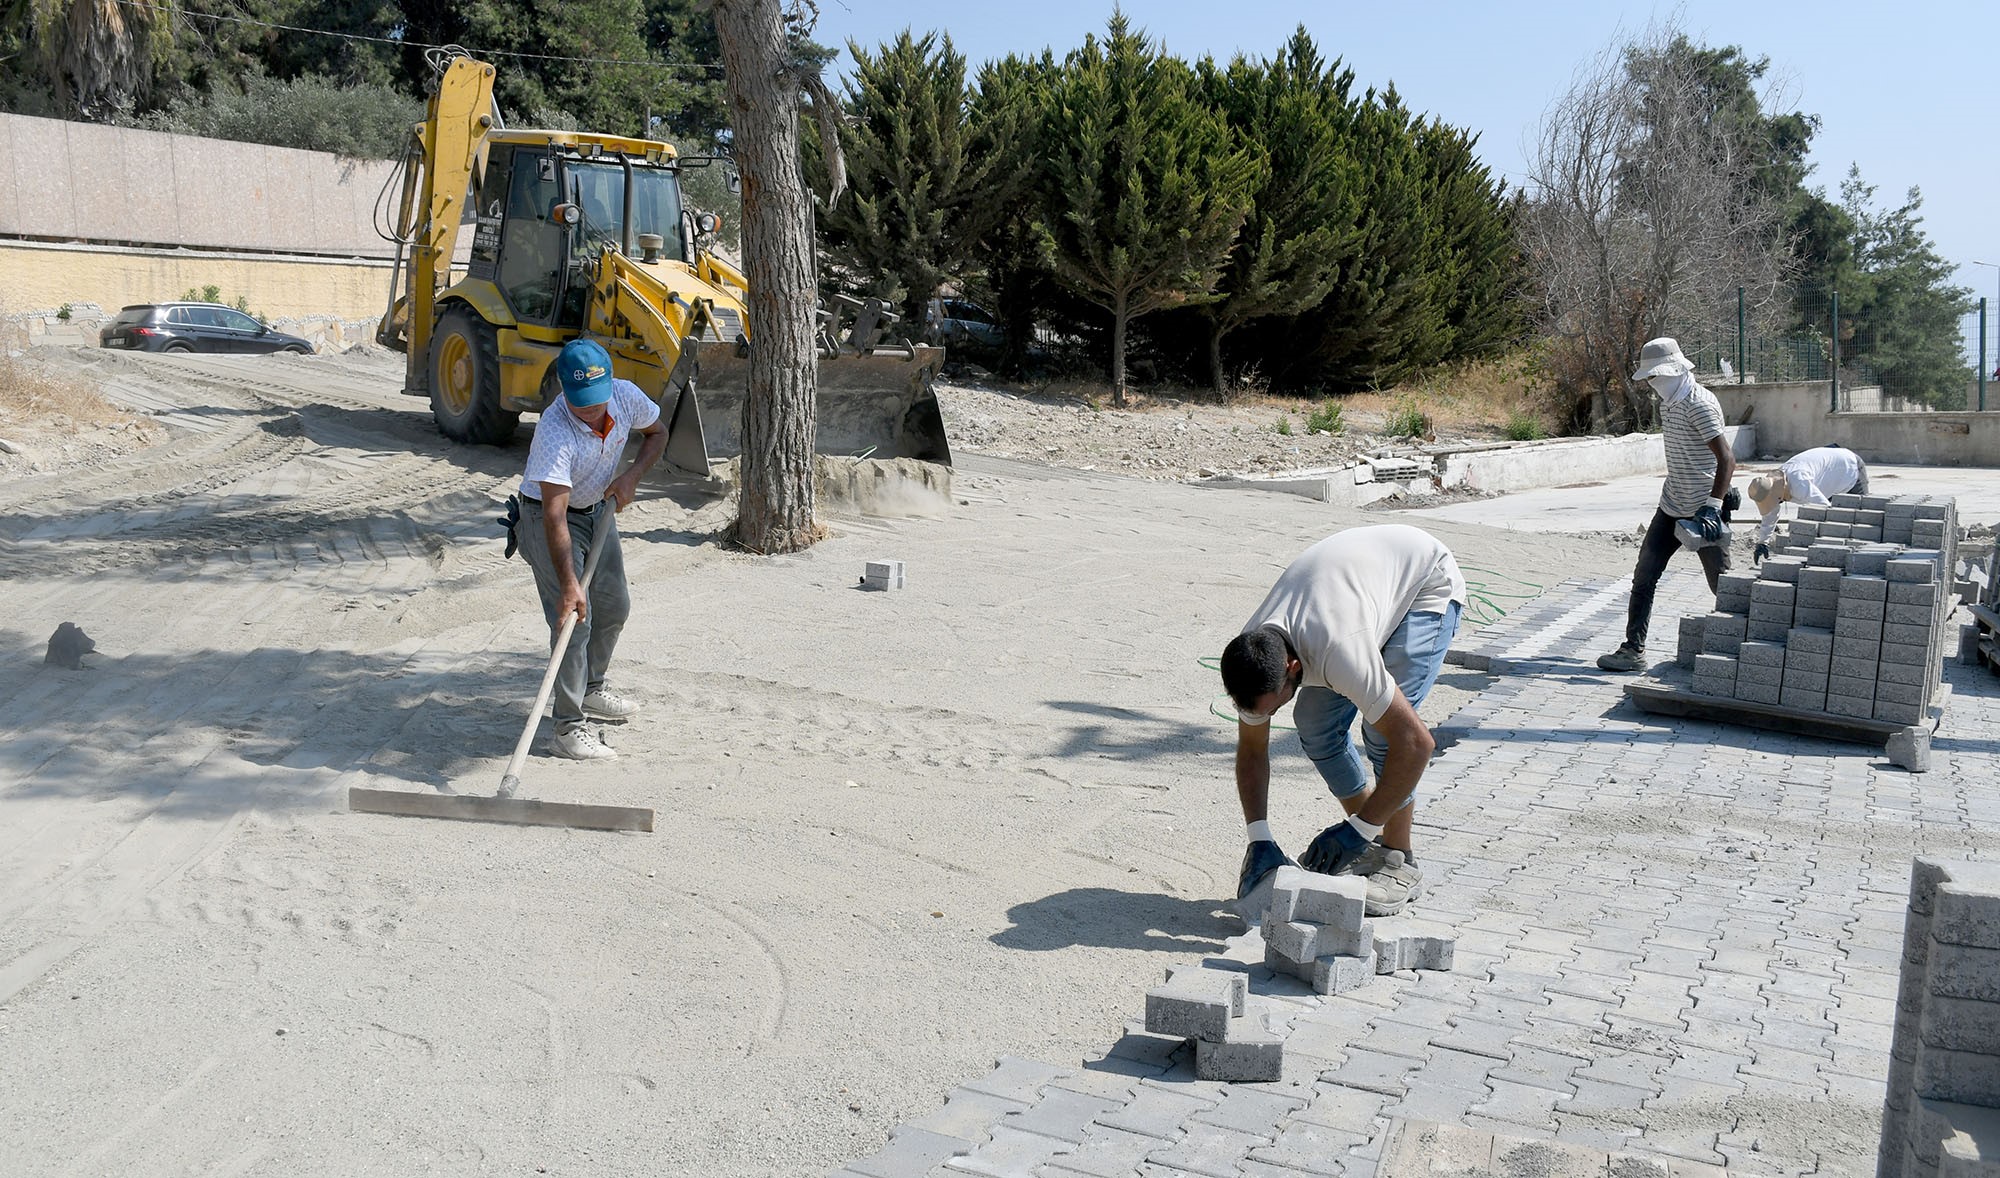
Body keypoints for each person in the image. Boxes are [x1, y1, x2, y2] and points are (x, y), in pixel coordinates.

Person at [1219, 524, 1466, 918]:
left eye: (1271, 708)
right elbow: (1252, 751)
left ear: (1294, 668)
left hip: (1423, 586)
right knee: (1315, 724)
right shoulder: (1254, 658)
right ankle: (1368, 841)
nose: (1267, 716)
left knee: (1384, 735)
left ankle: (1397, 858)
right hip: (1357, 591)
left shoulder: (1340, 652)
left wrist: (1359, 829)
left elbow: (1417, 744)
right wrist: (1258, 839)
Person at [507, 338, 667, 760]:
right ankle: (568, 726)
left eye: (597, 400)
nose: (591, 409)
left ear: (611, 383)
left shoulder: (626, 396)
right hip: (547, 520)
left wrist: (632, 475)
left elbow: (658, 432)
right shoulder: (555, 429)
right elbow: (555, 517)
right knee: (574, 620)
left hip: (597, 510)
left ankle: (592, 688)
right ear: (563, 390)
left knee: (614, 606)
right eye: (581, 402)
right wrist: (569, 586)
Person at [1596, 337, 1736, 673]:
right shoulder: (1669, 403)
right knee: (1644, 574)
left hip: (1705, 510)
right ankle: (1633, 650)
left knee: (1723, 585)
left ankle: (1741, 647)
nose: (1652, 383)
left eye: (1656, 377)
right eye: (1650, 378)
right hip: (1671, 504)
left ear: (1675, 370)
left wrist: (1714, 505)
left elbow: (1728, 460)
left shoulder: (1699, 404)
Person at [1745, 445, 1869, 563]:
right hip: (1829, 478)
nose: (1775, 504)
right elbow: (1770, 515)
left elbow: (1826, 510)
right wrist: (1763, 542)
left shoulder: (1800, 484)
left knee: (1862, 522)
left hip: (1850, 467)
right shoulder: (1774, 485)